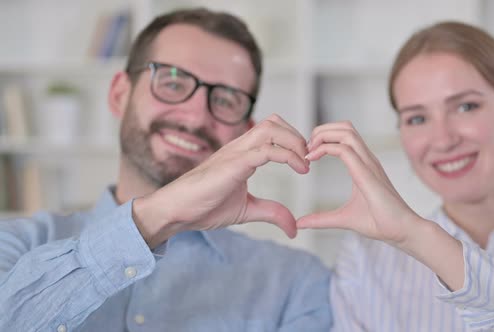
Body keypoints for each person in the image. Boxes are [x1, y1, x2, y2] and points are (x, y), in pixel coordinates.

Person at [0, 8, 331, 331]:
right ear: (119, 95)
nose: (196, 116)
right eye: (173, 83)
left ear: (246, 132)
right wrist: (156, 217)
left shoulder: (296, 284)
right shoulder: (16, 245)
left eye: (226, 100)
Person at [298, 21, 494, 331]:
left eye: (466, 106)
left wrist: (421, 239)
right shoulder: (367, 263)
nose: (442, 139)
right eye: (418, 118)